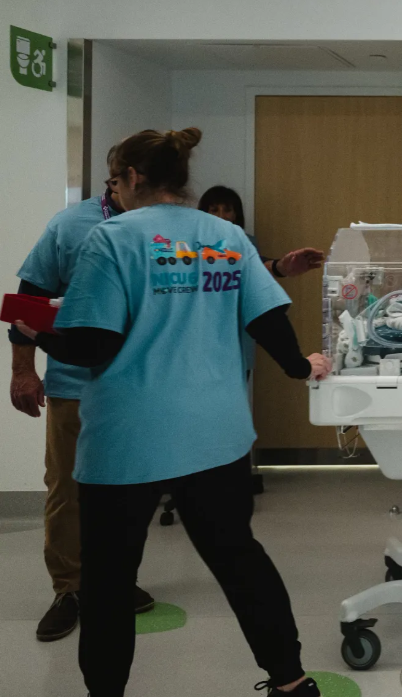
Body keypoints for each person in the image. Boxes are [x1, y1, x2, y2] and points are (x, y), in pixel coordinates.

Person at [15, 128, 331, 697]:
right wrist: (302, 367)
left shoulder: (111, 239)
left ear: (133, 178)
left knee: (109, 582)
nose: (114, 190)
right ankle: (291, 680)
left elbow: (93, 348)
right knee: (240, 560)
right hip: (217, 435)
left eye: (116, 179)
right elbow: (268, 323)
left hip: (129, 440)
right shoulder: (226, 235)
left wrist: (32, 332)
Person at [8, 149, 156, 643]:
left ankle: (112, 581)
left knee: (127, 491)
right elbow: (29, 299)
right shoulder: (71, 225)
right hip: (75, 382)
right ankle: (70, 588)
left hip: (139, 384)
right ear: (120, 178)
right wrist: (24, 372)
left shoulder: (165, 225)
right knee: (68, 491)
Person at [197, 185, 325, 279]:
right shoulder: (193, 241)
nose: (221, 216)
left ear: (235, 214)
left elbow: (256, 267)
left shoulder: (246, 241)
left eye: (227, 210)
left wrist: (282, 266)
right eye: (214, 210)